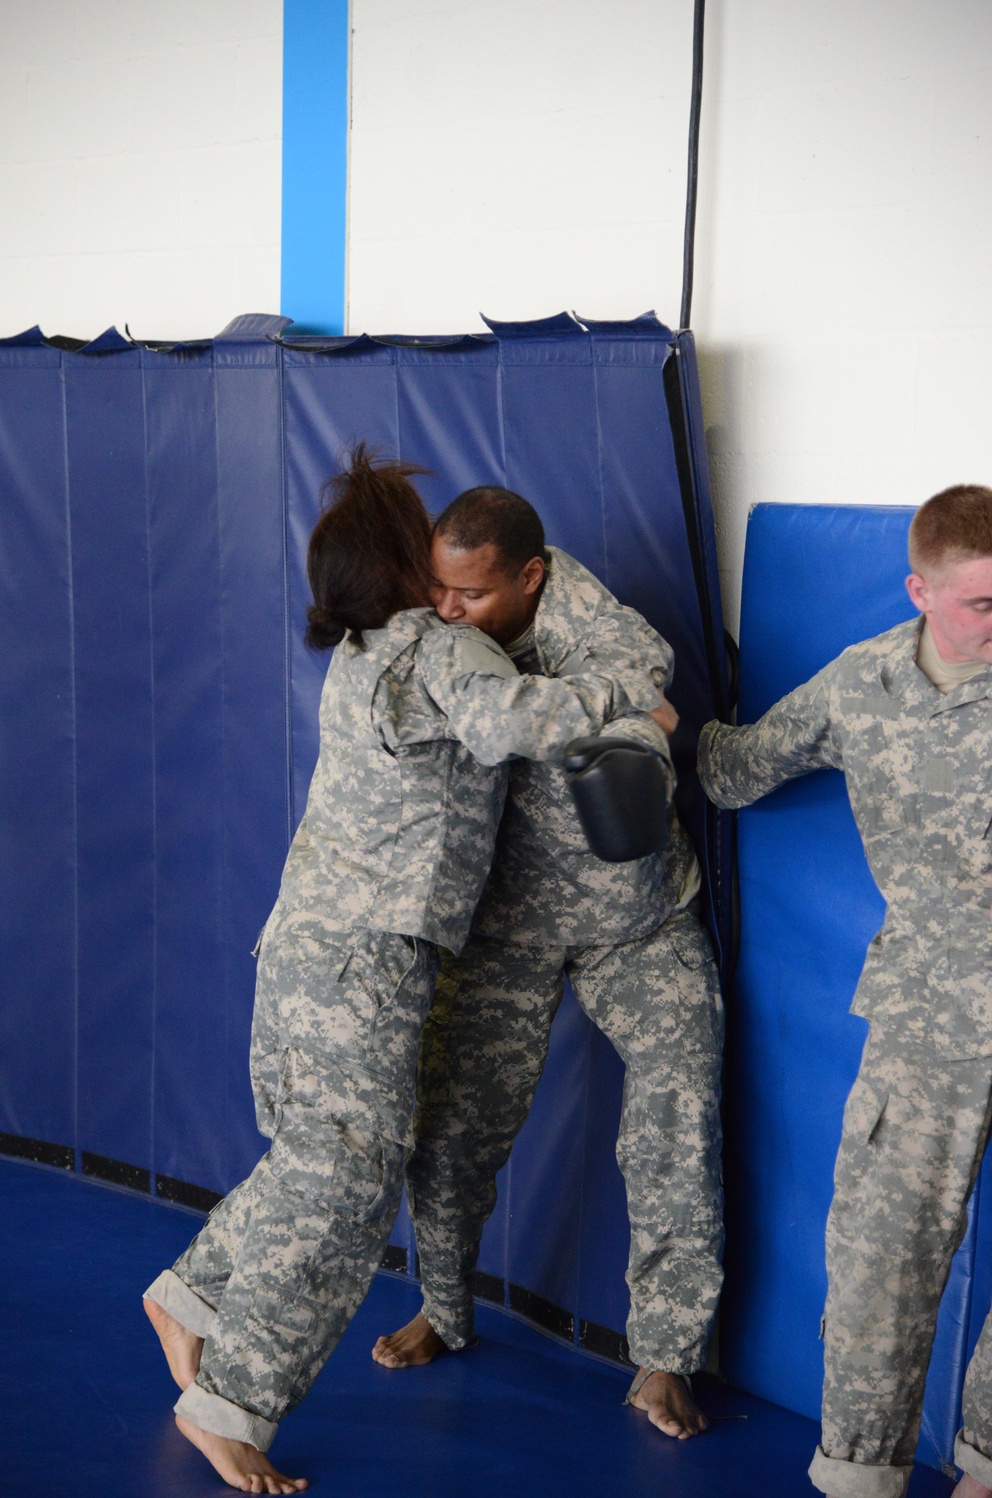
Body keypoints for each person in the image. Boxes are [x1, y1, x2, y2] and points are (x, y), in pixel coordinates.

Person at [141, 449, 650, 1495]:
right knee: (350, 1183)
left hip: (304, 948)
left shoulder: (364, 649)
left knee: (314, 1158)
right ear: (402, 570)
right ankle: (230, 1406)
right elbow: (522, 721)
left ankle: (189, 1295)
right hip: (367, 959)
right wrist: (630, 696)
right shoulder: (433, 650)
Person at [372, 486, 724, 1442]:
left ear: (529, 577)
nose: (449, 610)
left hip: (635, 921)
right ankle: (443, 1309)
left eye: (473, 595)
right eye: (438, 590)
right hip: (504, 927)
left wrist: (633, 741)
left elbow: (646, 686)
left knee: (677, 1120)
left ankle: (663, 1358)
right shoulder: (440, 622)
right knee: (448, 1135)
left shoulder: (595, 625)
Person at [696, 484, 992, 1498]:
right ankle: (858, 1474)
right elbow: (737, 769)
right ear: (919, 590)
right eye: (982, 605)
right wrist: (670, 732)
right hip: (927, 1019)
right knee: (878, 1263)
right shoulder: (859, 684)